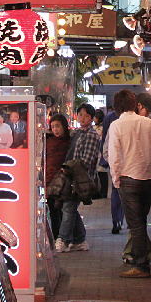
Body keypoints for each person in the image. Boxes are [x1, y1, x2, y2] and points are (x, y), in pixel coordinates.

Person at [106, 89, 151, 278]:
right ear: (133, 103)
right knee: (141, 222)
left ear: (117, 106)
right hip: (147, 177)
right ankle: (143, 261)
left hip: (128, 178)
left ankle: (141, 266)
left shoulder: (116, 125)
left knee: (135, 225)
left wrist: (116, 178)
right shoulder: (148, 123)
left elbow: (114, 155)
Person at [57, 103, 100, 252]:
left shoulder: (92, 135)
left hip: (80, 179)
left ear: (92, 118)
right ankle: (80, 240)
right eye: (80, 114)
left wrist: (70, 169)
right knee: (70, 208)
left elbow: (86, 162)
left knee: (68, 208)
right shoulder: (76, 133)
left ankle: (62, 239)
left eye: (86, 115)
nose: (82, 118)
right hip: (70, 176)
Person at [44, 113, 72, 244]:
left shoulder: (69, 142)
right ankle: (57, 238)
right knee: (54, 210)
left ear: (64, 126)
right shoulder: (48, 141)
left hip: (63, 181)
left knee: (63, 210)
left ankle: (63, 238)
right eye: (53, 126)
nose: (55, 129)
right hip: (49, 181)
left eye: (58, 126)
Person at [100, 106, 124, 233]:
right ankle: (122, 219)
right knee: (126, 193)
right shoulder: (135, 119)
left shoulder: (109, 118)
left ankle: (116, 221)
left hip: (114, 160)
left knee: (115, 190)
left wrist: (107, 159)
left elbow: (105, 139)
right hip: (129, 163)